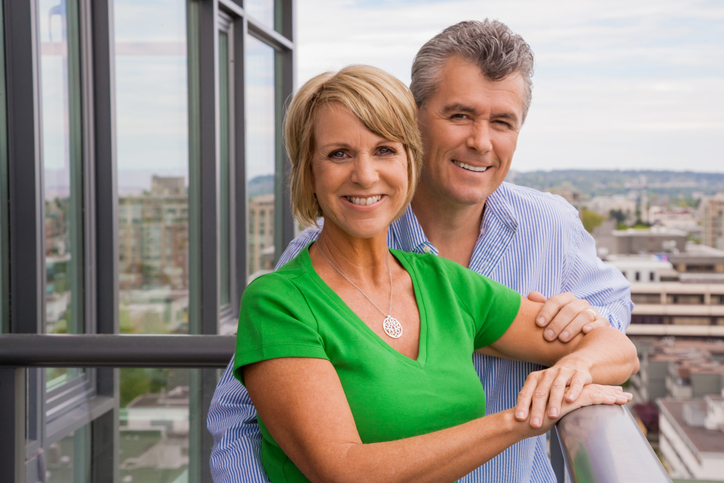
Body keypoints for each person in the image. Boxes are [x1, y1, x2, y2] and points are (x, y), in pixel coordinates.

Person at [208, 20, 635, 482]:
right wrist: (527, 415)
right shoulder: (298, 280)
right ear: (413, 120)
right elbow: (244, 419)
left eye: (502, 122)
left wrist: (572, 368)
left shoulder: (472, 268)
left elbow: (612, 334)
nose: (480, 142)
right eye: (460, 115)